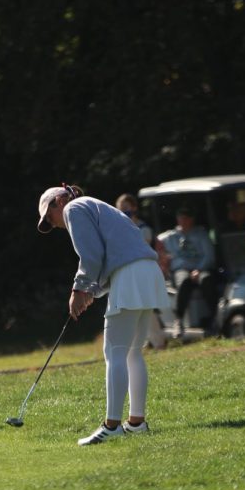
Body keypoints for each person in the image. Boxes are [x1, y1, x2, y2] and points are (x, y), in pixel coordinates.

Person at [37, 183, 170, 445]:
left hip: (131, 275)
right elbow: (110, 257)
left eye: (49, 218)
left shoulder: (74, 208)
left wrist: (79, 289)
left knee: (114, 352)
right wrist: (91, 292)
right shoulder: (98, 207)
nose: (54, 224)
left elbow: (92, 256)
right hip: (148, 273)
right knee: (132, 352)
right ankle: (136, 423)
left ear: (58, 201)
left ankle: (111, 426)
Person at [157, 205, 216, 339]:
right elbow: (155, 244)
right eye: (181, 218)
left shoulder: (201, 234)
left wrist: (199, 270)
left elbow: (209, 255)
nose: (184, 221)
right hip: (181, 269)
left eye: (187, 218)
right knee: (183, 281)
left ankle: (214, 318)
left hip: (201, 268)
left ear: (192, 219)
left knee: (207, 280)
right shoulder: (170, 236)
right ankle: (179, 320)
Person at [115, 193, 166, 350]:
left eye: (127, 210)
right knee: (132, 309)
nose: (125, 214)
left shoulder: (144, 229)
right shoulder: (119, 230)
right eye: (121, 211)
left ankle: (158, 342)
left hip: (143, 273)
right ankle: (143, 342)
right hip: (127, 274)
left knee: (146, 308)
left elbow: (137, 250)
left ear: (135, 209)